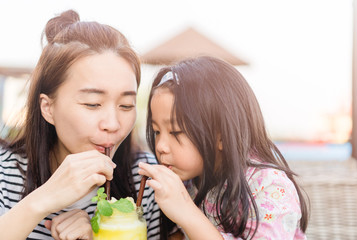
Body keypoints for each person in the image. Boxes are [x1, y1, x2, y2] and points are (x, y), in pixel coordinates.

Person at [0, 10, 160, 239]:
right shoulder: (5, 173)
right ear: (48, 108)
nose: (113, 124)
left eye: (126, 105)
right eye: (93, 104)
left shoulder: (144, 178)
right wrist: (40, 201)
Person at [139, 56, 309, 239]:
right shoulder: (189, 180)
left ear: (221, 135)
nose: (161, 146)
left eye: (175, 132)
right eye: (157, 131)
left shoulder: (269, 186)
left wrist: (186, 211)